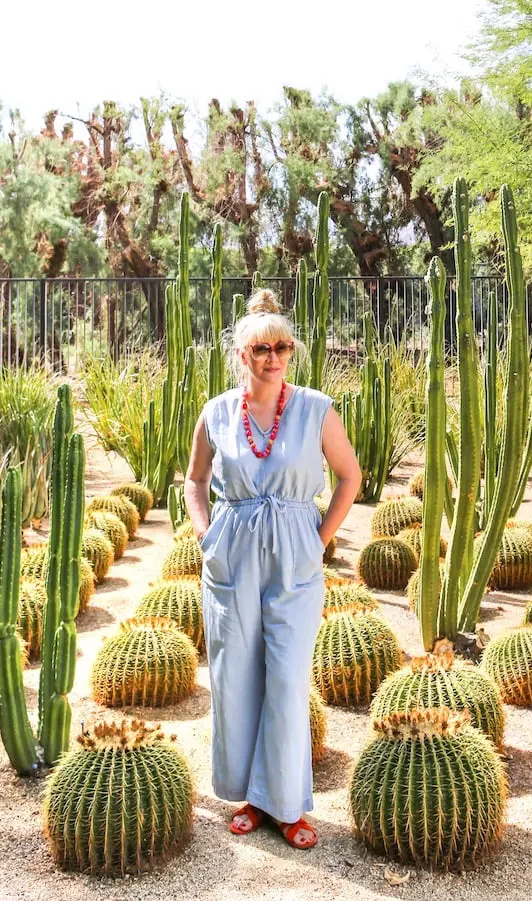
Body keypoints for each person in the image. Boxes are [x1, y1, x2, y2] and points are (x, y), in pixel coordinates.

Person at [184, 289, 361, 850]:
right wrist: (205, 533)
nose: (274, 356)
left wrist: (319, 538)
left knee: (286, 678)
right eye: (261, 347)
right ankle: (250, 797)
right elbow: (193, 480)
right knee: (235, 675)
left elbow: (349, 477)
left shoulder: (315, 407)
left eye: (283, 346)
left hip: (294, 553)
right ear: (241, 354)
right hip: (232, 553)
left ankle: (287, 804)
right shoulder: (216, 412)